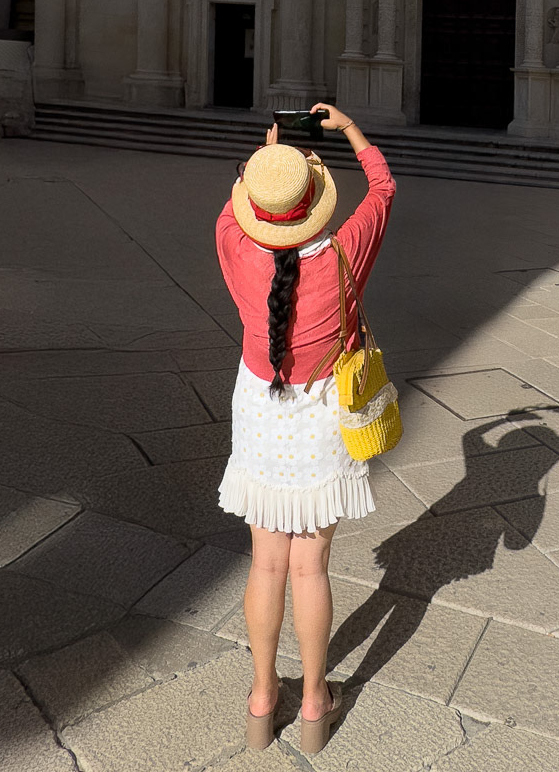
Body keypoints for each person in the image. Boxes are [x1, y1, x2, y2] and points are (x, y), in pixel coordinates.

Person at [215, 107, 395, 753]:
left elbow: (236, 206)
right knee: (310, 568)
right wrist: (348, 131)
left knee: (266, 564)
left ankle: (262, 699)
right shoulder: (345, 252)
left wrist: (265, 161)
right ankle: (316, 702)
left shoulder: (233, 242)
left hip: (260, 410)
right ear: (315, 199)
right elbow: (383, 187)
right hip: (321, 414)